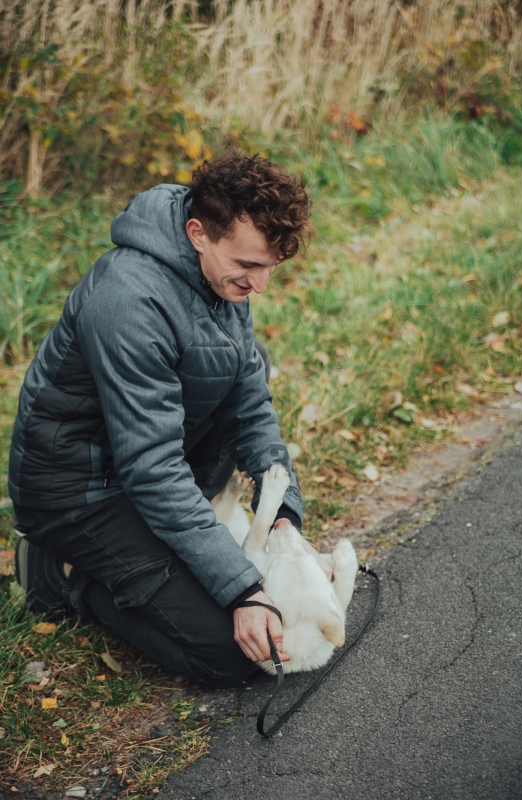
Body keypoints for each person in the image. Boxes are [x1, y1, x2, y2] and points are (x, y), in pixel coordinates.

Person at [9, 154, 311, 688]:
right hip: (77, 490)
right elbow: (151, 469)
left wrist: (281, 507)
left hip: (141, 459)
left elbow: (247, 402)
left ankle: (172, 542)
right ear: (198, 234)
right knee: (232, 653)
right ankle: (62, 574)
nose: (261, 284)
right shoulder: (128, 300)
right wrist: (242, 591)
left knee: (251, 362)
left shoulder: (223, 277)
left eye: (269, 267)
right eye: (249, 264)